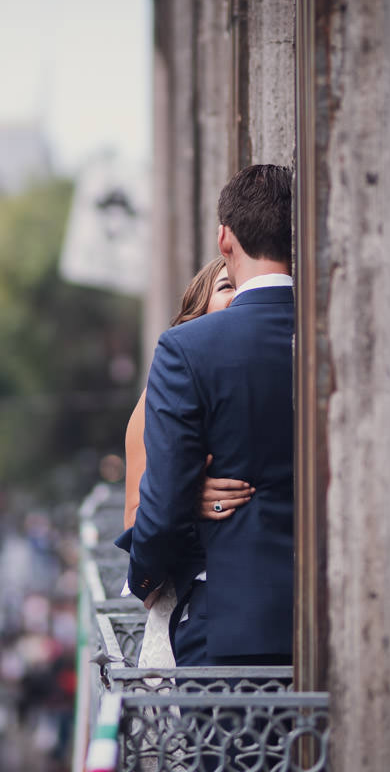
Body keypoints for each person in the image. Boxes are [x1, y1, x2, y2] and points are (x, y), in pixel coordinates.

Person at [124, 164, 296, 667]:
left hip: (233, 630)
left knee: (229, 751)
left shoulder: (187, 348)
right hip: (344, 615)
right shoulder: (342, 331)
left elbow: (160, 501)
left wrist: (145, 578)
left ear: (225, 238)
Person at [119, 257, 256, 668]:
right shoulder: (159, 401)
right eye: (226, 287)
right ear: (198, 311)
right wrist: (185, 499)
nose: (238, 297)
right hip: (192, 606)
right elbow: (135, 519)